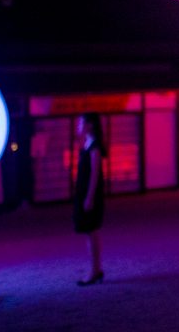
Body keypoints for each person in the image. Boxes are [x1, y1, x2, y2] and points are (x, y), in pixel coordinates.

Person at [73, 112, 105, 286]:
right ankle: (96, 269)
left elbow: (95, 174)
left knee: (91, 231)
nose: (79, 126)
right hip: (84, 191)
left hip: (89, 193)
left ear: (90, 125)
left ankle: (94, 270)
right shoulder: (87, 144)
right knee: (89, 232)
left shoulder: (95, 147)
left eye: (81, 123)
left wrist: (90, 197)